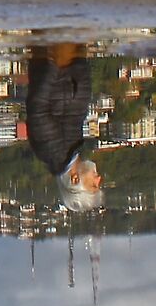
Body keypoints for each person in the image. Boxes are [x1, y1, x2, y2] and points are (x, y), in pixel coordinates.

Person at [22, 41, 105, 215]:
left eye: (93, 185)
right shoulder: (71, 149)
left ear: (75, 180)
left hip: (56, 58)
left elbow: (38, 108)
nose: (98, 179)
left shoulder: (52, 151)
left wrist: (52, 65)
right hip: (72, 60)